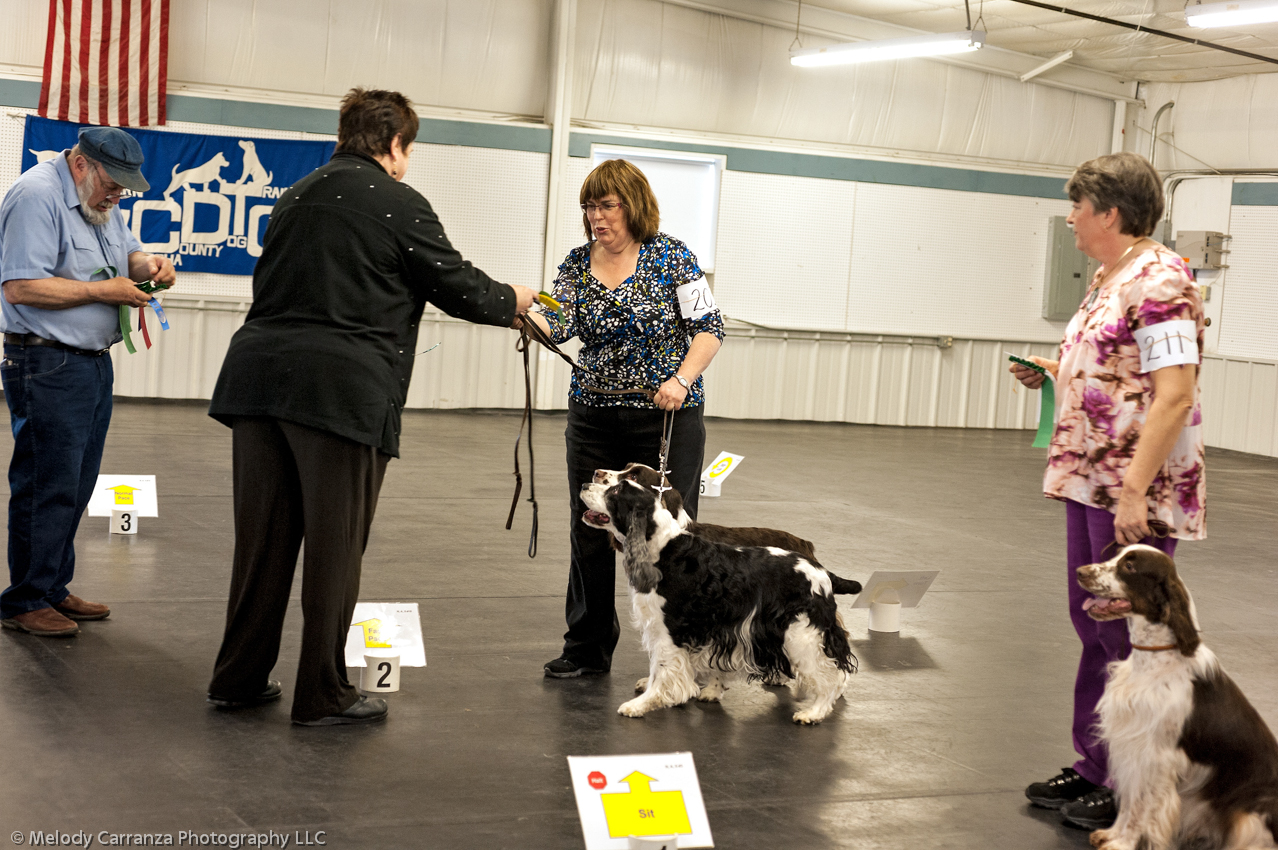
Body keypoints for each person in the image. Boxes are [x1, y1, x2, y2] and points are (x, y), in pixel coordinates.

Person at [205, 88, 537, 726]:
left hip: (257, 382)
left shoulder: (293, 197)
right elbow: (456, 284)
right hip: (340, 393)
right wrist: (513, 298)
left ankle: (239, 677)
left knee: (262, 544)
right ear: (393, 144)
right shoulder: (398, 203)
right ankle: (323, 693)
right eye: (408, 148)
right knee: (335, 548)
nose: (407, 160)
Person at [1013, 152, 1206, 830]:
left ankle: (1135, 785)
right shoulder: (1109, 277)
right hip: (1091, 477)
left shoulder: (1162, 281)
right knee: (1092, 621)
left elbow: (1175, 394)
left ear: (1111, 213)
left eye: (1078, 207)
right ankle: (1096, 762)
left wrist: (1134, 490)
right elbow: (1110, 367)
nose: (1070, 219)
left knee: (1133, 640)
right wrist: (1055, 371)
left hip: (1132, 485)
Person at [522, 159, 725, 678]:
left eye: (606, 205)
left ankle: (686, 649)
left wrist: (680, 380)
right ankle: (586, 647)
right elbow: (557, 316)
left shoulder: (673, 257)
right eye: (589, 206)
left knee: (671, 538)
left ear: (632, 205)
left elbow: (709, 327)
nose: (596, 216)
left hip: (664, 418)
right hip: (592, 416)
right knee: (588, 531)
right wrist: (528, 316)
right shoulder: (575, 262)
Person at [0, 127, 176, 638]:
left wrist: (150, 265)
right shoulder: (36, 197)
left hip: (89, 362)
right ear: (82, 165)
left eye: (124, 187)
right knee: (46, 484)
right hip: (46, 363)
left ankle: (51, 587)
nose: (118, 194)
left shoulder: (99, 200)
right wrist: (104, 292)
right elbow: (20, 287)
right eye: (113, 184)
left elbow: (128, 253)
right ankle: (25, 600)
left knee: (77, 483)